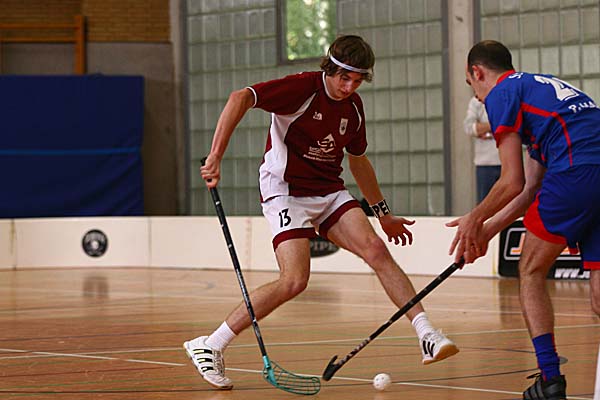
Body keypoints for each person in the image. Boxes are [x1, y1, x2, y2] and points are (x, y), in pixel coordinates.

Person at [184, 35, 459, 390]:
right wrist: (216, 155)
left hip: (328, 190)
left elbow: (358, 162)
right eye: (344, 78)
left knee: (376, 249)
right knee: (294, 281)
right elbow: (241, 97)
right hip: (285, 190)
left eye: (357, 81)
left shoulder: (354, 108)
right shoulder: (301, 88)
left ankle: (426, 334)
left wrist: (383, 214)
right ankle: (210, 344)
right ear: (329, 68)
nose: (350, 87)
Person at [447, 39, 600, 400]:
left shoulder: (501, 93)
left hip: (576, 172)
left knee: (530, 270)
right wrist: (486, 231)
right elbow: (529, 190)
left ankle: (550, 380)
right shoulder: (540, 89)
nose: (477, 97)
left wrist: (473, 218)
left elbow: (510, 181)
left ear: (477, 72)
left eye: (472, 86)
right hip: (590, 169)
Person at [463, 95, 501, 203]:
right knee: (486, 203)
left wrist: (484, 129)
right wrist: (496, 126)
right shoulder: (476, 102)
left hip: (508, 162)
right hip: (485, 163)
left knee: (509, 205)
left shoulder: (507, 98)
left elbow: (512, 123)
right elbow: (469, 127)